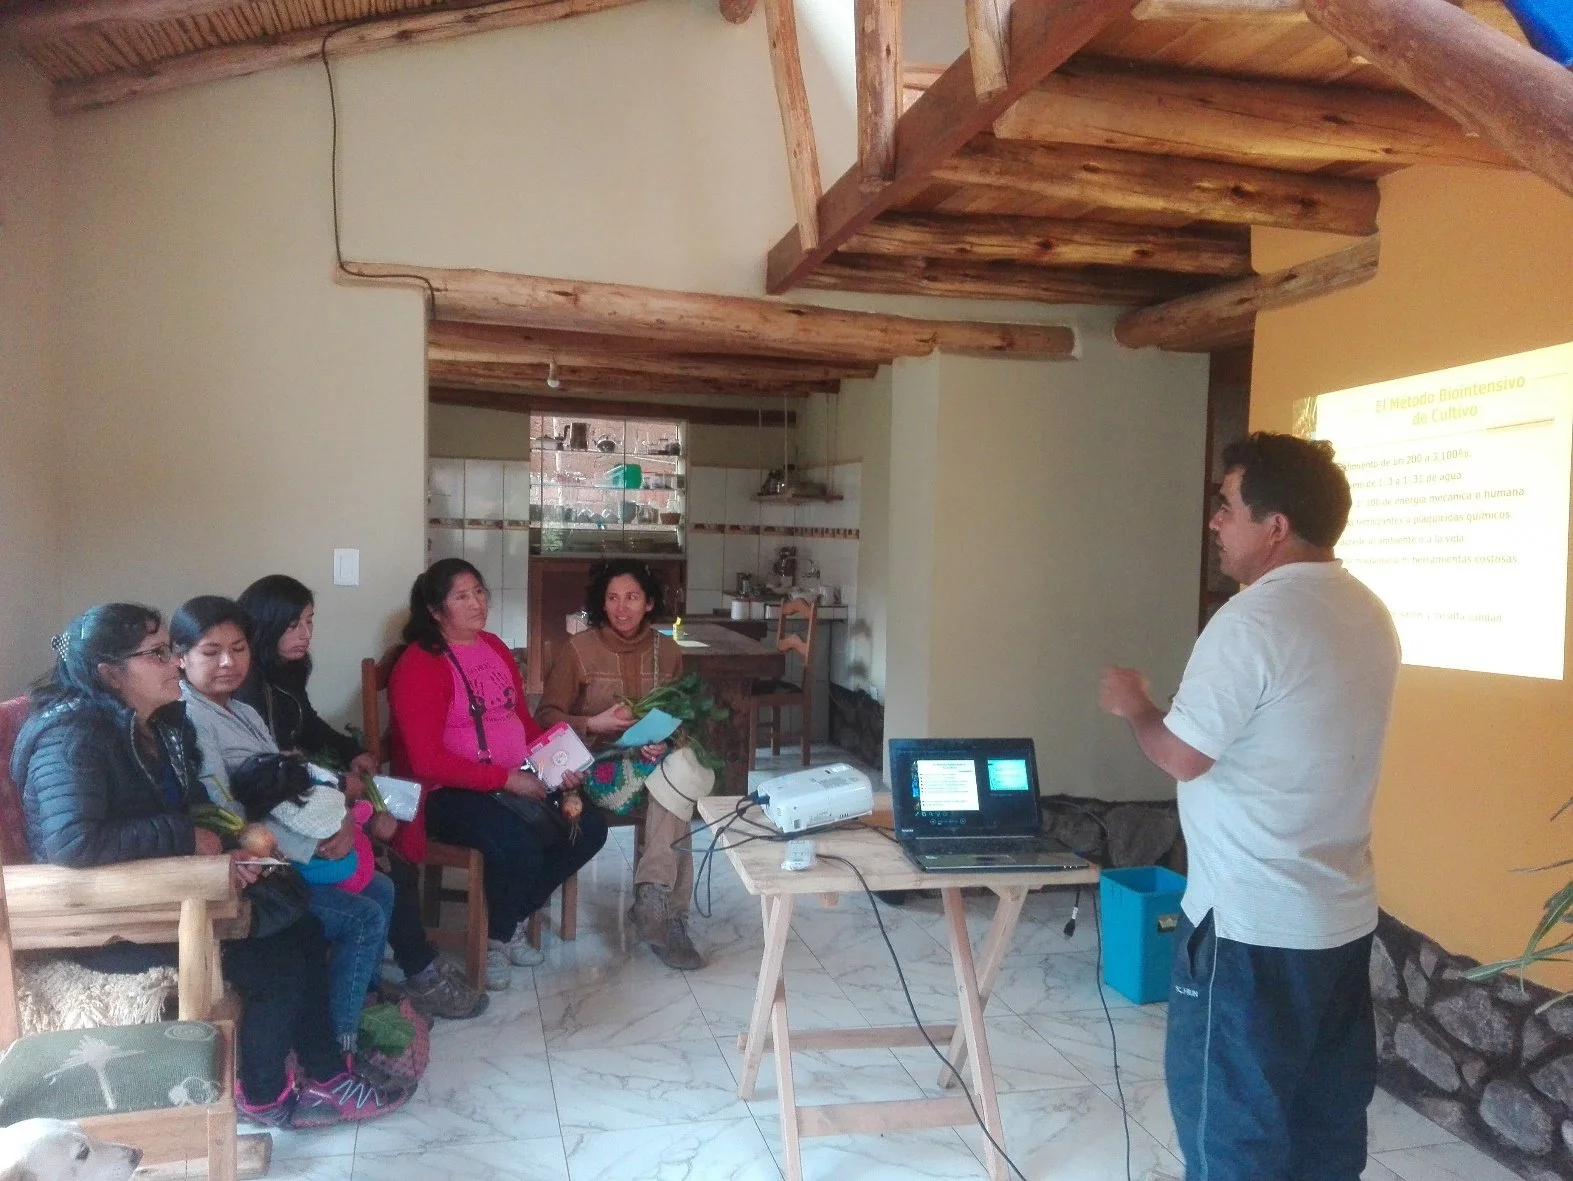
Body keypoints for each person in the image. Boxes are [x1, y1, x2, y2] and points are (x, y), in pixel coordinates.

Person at [1098, 432, 1400, 1181]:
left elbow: (1181, 753)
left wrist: (1136, 706)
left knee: (1232, 1136)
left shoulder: (1251, 621)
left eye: (1226, 505)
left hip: (1248, 930)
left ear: (1274, 527)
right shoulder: (1367, 610)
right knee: (1322, 1131)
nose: (1214, 522)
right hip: (1337, 919)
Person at [11, 604, 407, 1128]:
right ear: (110, 673)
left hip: (174, 892)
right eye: (156, 654)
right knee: (278, 962)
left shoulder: (166, 723)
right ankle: (263, 1097)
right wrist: (189, 841)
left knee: (304, 926)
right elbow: (71, 842)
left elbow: (201, 802)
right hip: (113, 921)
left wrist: (229, 845)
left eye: (170, 649)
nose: (175, 664)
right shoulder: (72, 736)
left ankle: (327, 1073)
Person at [235, 573, 485, 1020]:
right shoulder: (248, 688)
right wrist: (342, 789)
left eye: (309, 622)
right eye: (293, 625)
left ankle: (385, 977)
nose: (305, 635)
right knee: (394, 866)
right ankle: (417, 971)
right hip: (282, 814)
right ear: (264, 626)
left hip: (308, 795)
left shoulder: (285, 674)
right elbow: (274, 770)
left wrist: (356, 753)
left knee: (394, 860)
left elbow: (309, 726)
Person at [172, 596, 397, 1060]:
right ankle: (341, 1047)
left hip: (299, 839)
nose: (228, 662)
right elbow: (224, 806)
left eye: (238, 648)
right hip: (266, 861)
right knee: (363, 916)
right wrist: (308, 843)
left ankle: (354, 1005)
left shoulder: (244, 710)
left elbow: (287, 774)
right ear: (181, 657)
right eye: (211, 652)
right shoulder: (191, 716)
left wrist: (337, 823)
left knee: (382, 891)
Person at [387, 559, 608, 989]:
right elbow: (426, 760)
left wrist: (551, 764)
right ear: (435, 611)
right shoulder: (419, 665)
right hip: (444, 792)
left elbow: (520, 721)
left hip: (510, 776)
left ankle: (506, 923)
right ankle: (496, 938)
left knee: (589, 826)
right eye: (461, 596)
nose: (477, 603)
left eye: (480, 592)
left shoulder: (493, 646)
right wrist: (508, 780)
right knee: (520, 845)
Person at [537, 558, 708, 970]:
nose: (621, 607)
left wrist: (662, 739)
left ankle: (656, 899)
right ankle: (666, 910)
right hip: (594, 768)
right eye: (612, 598)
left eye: (632, 597)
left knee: (677, 776)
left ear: (649, 603)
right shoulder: (579, 649)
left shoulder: (666, 651)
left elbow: (678, 714)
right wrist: (593, 722)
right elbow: (546, 715)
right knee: (676, 791)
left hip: (649, 765)